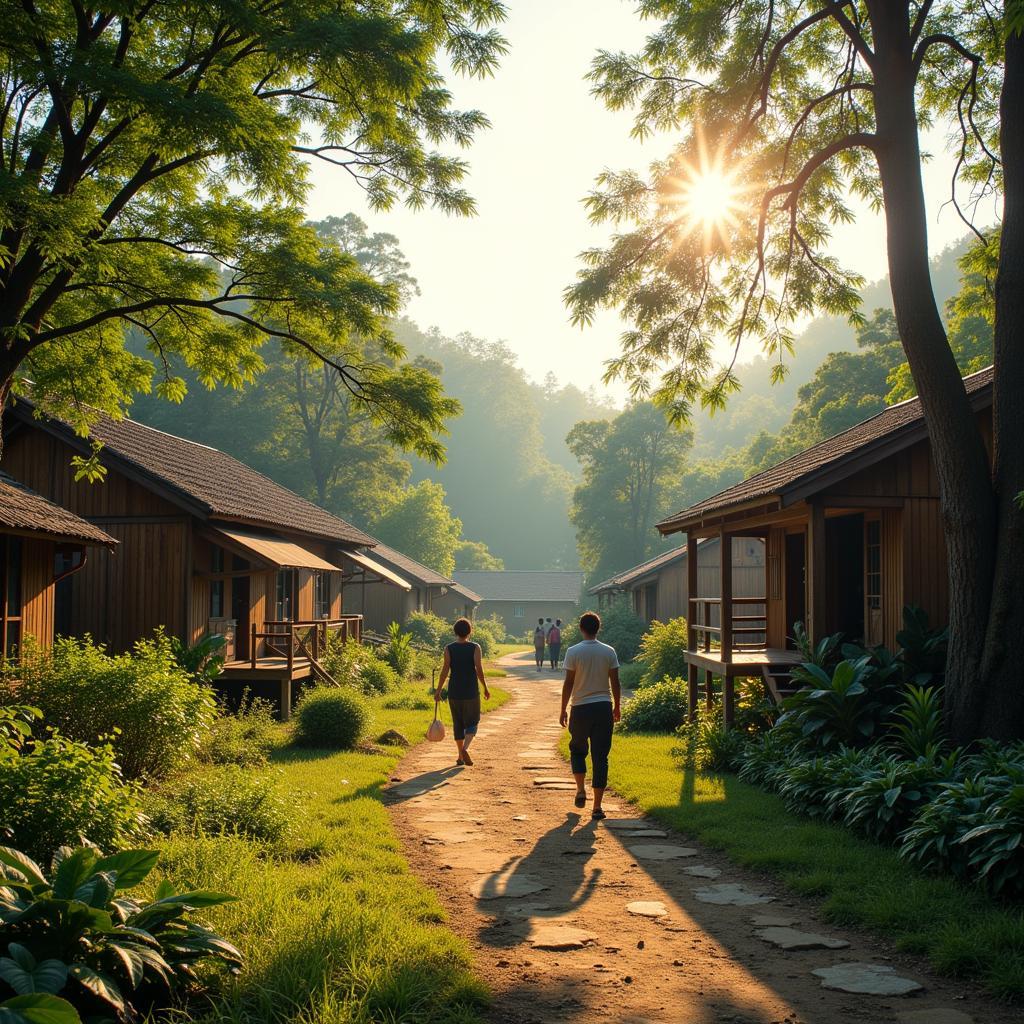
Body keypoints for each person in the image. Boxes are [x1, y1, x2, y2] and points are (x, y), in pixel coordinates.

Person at [558, 611, 621, 820]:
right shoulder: (609, 651)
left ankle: (580, 789)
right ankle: (597, 806)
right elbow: (615, 682)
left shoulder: (573, 652)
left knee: (577, 749)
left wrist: (562, 708)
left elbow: (568, 683)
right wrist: (617, 706)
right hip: (603, 707)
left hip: (580, 708)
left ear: (581, 628)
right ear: (598, 628)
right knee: (600, 757)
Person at [435, 617, 490, 766]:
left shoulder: (449, 648)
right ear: (470, 631)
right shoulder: (475, 647)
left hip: (454, 691)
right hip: (471, 690)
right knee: (473, 721)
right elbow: (479, 669)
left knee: (458, 723)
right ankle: (465, 749)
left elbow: (445, 671)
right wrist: (485, 687)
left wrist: (438, 690)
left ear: (455, 632)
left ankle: (460, 756)